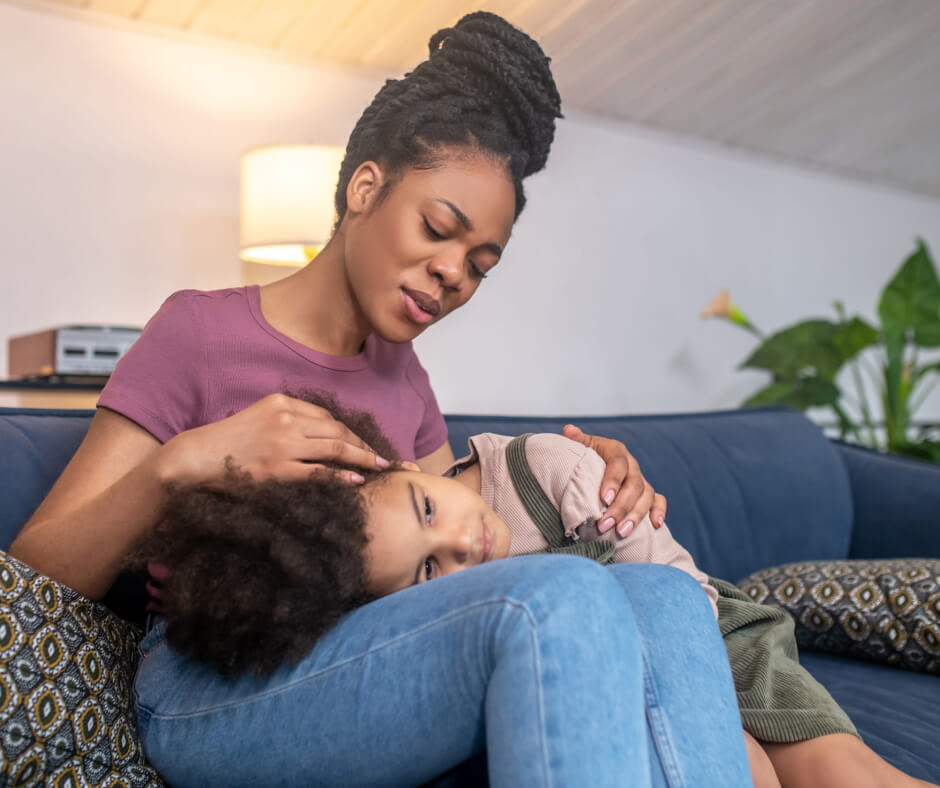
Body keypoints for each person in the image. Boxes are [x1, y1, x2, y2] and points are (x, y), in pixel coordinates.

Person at [9, 12, 752, 787]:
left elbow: (463, 561)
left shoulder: (406, 379)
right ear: (365, 187)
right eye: (437, 228)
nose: (453, 273)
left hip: (357, 652)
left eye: (480, 263)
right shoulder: (199, 332)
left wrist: (596, 484)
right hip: (214, 677)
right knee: (555, 601)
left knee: (663, 598)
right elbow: (32, 579)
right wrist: (184, 462)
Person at [143, 393, 936, 788]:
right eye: (429, 573)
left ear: (402, 465)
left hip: (704, 620)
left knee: (839, 770)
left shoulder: (531, 468)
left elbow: (671, 586)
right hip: (619, 649)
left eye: (429, 511)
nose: (464, 545)